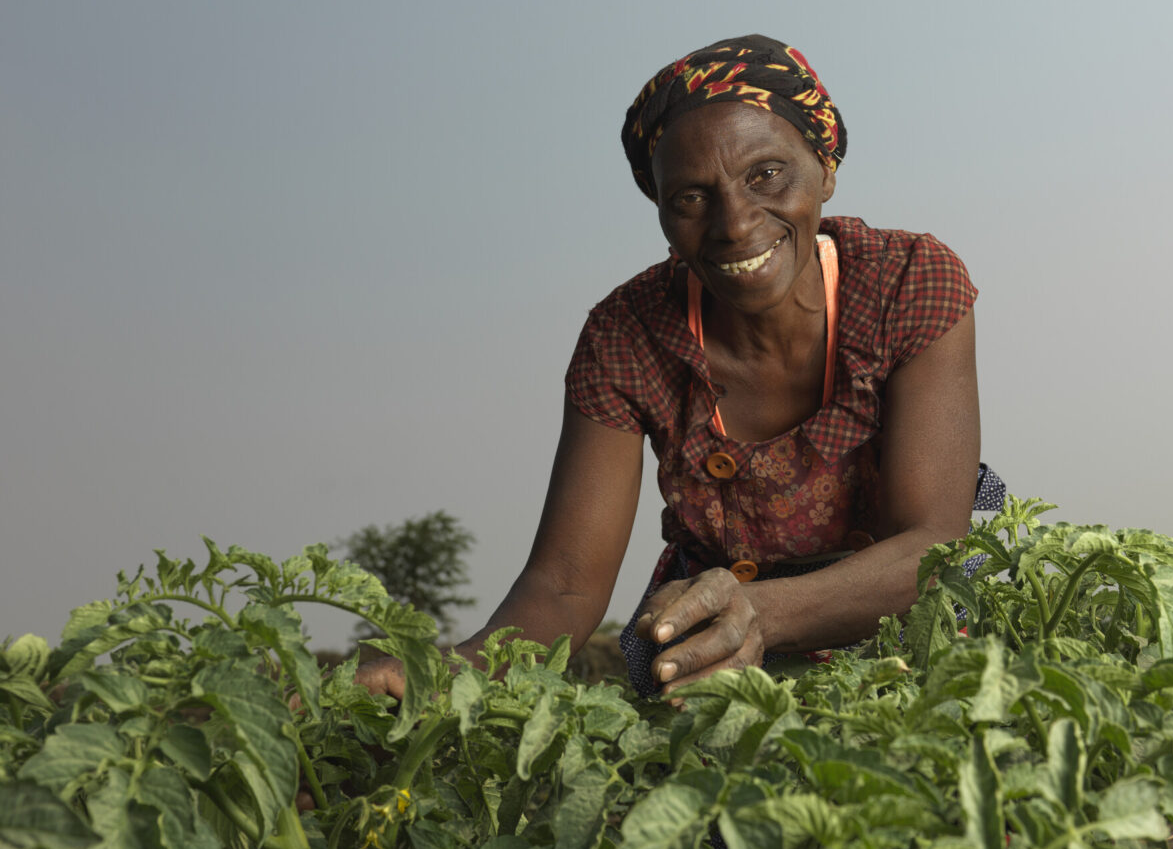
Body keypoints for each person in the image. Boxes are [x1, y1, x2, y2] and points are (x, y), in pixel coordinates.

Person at [358, 34, 1003, 701]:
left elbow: (934, 545)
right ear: (660, 209)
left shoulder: (909, 282)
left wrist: (764, 612)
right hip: (717, 645)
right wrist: (439, 676)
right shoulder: (626, 339)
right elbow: (565, 587)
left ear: (825, 167)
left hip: (904, 621)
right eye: (691, 198)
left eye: (766, 175)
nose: (735, 223)